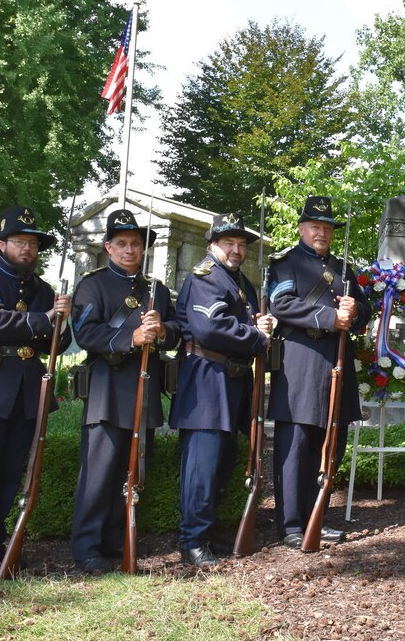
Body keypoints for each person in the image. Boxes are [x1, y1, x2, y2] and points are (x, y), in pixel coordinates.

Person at [0, 205, 71, 582]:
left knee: (9, 476)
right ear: (2, 243)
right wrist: (46, 320)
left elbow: (60, 342)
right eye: (20, 241)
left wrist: (63, 319)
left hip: (25, 392)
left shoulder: (44, 290)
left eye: (34, 243)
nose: (28, 249)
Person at [69, 209, 181, 574]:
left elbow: (180, 329)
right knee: (99, 472)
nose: (130, 250)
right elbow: (86, 334)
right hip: (107, 389)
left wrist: (163, 330)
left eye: (136, 244)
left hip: (144, 389)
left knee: (131, 472)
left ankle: (118, 538)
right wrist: (130, 337)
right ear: (109, 247)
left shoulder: (156, 290)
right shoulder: (93, 285)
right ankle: (87, 545)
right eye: (122, 244)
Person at [267, 196, 372, 549]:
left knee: (331, 446)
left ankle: (317, 516)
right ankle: (292, 526)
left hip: (336, 366)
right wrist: (330, 317)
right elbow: (280, 304)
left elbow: (363, 311)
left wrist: (355, 309)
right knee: (295, 446)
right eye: (316, 226)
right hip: (299, 364)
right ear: (301, 229)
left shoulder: (344, 270)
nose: (322, 233)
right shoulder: (285, 263)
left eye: (327, 228)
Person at [171, 212, 273, 567]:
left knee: (222, 463)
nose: (236, 249)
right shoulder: (206, 277)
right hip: (206, 381)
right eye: (228, 243)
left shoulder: (239, 281)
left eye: (241, 244)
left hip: (231, 381)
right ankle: (192, 540)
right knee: (202, 465)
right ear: (213, 244)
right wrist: (257, 337)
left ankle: (207, 532)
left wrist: (261, 324)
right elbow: (210, 328)